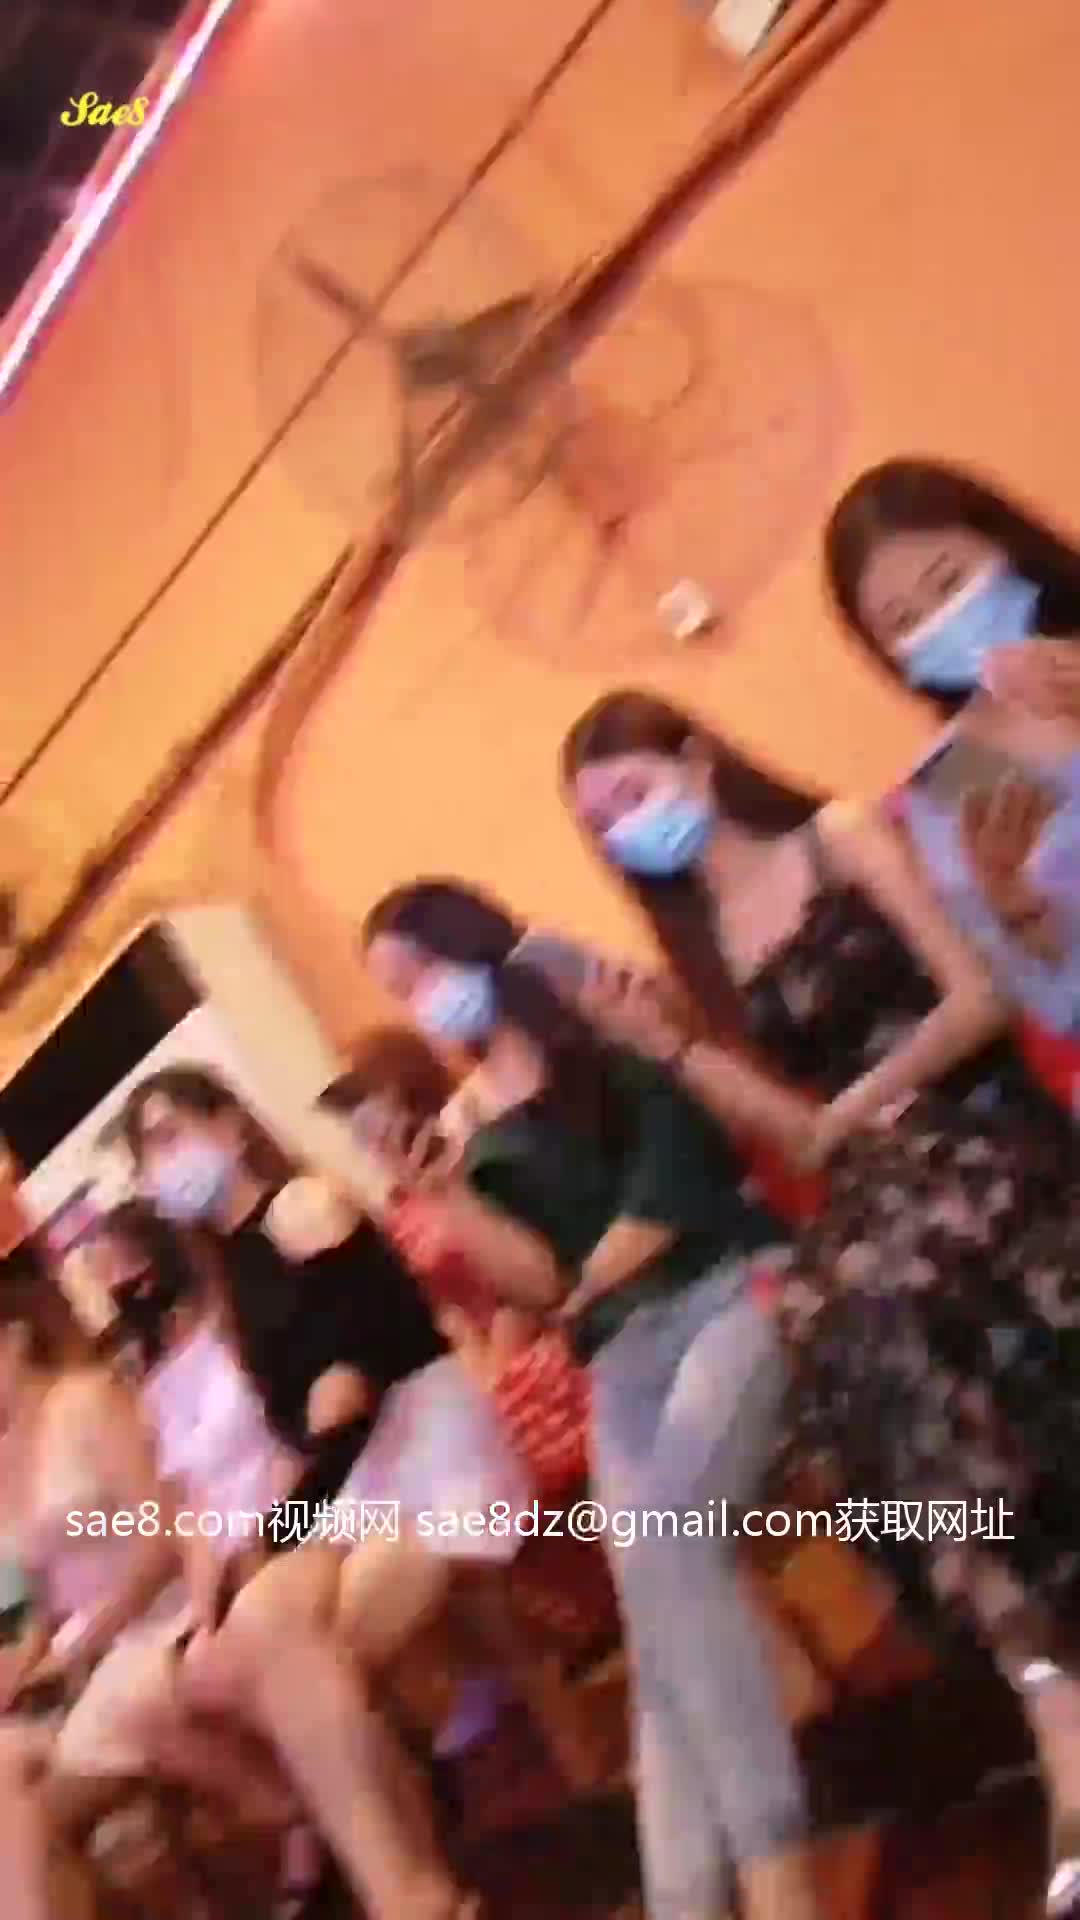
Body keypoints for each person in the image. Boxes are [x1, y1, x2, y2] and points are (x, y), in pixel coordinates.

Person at [562, 687, 1080, 1916]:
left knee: (874, 1292)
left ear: (696, 756)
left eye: (633, 792)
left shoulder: (833, 836)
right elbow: (795, 1137)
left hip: (972, 1124)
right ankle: (1051, 1694)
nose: (630, 827)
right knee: (831, 1317)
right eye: (604, 823)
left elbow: (975, 997)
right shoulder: (702, 955)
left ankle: (1063, 1726)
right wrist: (673, 1050)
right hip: (870, 1193)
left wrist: (858, 1114)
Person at [360, 878, 820, 1920]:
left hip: (731, 1289)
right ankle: (687, 1900)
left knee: (666, 1550)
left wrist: (584, 1286)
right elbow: (533, 1281)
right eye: (401, 993)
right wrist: (443, 1196)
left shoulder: (599, 1013)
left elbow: (679, 1181)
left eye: (422, 972)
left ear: (473, 943)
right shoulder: (472, 1124)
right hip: (622, 1355)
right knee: (654, 1615)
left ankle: (778, 1883)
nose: (423, 1003)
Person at [825, 456, 1080, 1114]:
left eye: (949, 581)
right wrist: (1016, 904)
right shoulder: (957, 772)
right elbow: (1058, 1002)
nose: (942, 619)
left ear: (1003, 542)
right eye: (905, 621)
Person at [0, 1243, 184, 1919]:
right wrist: (21, 1668)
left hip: (154, 1620)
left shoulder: (86, 1401)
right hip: (77, 1665)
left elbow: (163, 1536)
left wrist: (85, 1641)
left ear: (14, 1341)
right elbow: (42, 1602)